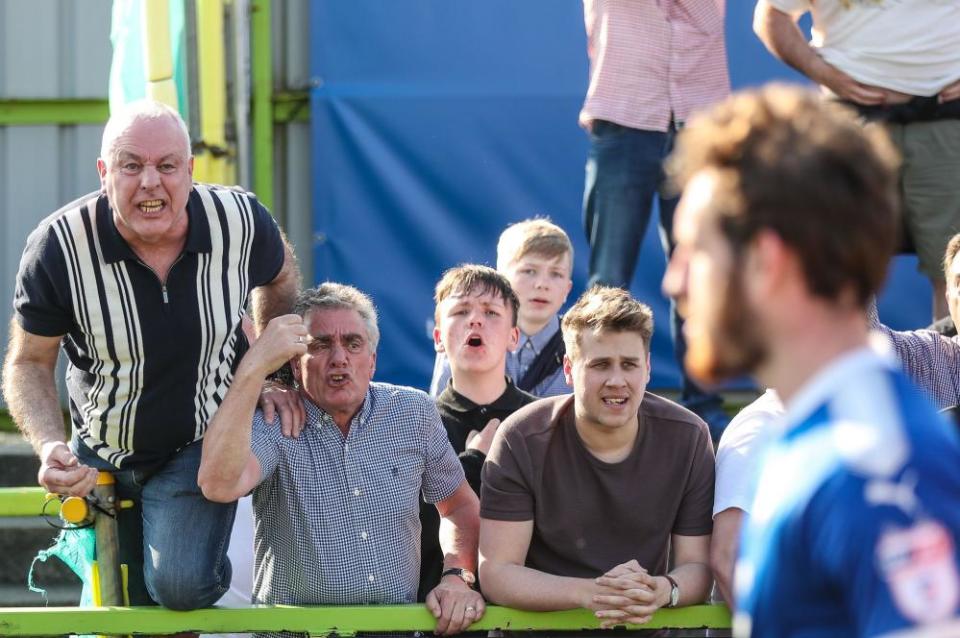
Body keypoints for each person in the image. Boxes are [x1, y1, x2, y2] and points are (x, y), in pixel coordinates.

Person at [663, 84, 960, 636]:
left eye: (695, 250)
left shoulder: (879, 462)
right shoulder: (812, 440)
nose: (673, 280)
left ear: (766, 261)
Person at [1, 100, 298, 609]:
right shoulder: (57, 246)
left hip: (199, 439)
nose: (150, 183)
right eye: (131, 165)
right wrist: (50, 445)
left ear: (189, 170)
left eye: (166, 166)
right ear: (104, 172)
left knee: (179, 588)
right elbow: (28, 362)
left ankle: (230, 588)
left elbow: (282, 279)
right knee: (123, 603)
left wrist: (275, 376)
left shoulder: (240, 220)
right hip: (101, 443)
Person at [197, 283, 484, 636]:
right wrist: (252, 374)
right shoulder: (275, 419)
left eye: (352, 343)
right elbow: (217, 485)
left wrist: (457, 577)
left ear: (373, 360)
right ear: (295, 364)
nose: (339, 358)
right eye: (320, 344)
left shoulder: (414, 413)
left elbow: (457, 506)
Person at [479, 286, 714, 627]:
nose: (617, 381)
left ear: (647, 368)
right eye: (600, 365)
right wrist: (592, 593)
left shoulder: (688, 437)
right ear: (569, 368)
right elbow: (497, 571)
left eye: (629, 364)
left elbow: (698, 566)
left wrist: (663, 590)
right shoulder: (521, 437)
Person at [579, 0, 732, 437]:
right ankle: (596, 399)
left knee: (702, 275)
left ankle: (704, 408)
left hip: (701, 129)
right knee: (608, 279)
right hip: (625, 119)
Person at [753, 0, 960, 320]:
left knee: (955, 273)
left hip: (947, 124)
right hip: (850, 124)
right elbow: (771, 16)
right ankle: (853, 368)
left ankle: (953, 370)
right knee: (842, 267)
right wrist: (820, 70)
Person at [420, 264, 538, 598]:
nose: (475, 320)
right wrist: (471, 463)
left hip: (525, 618)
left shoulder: (542, 420)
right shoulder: (413, 422)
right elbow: (406, 528)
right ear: (439, 337)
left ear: (514, 336)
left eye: (491, 312)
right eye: (460, 311)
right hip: (437, 612)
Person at [431, 218, 573, 398]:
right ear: (502, 280)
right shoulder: (465, 336)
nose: (542, 284)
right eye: (529, 271)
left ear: (568, 288)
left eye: (556, 274)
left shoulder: (579, 344)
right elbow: (439, 416)